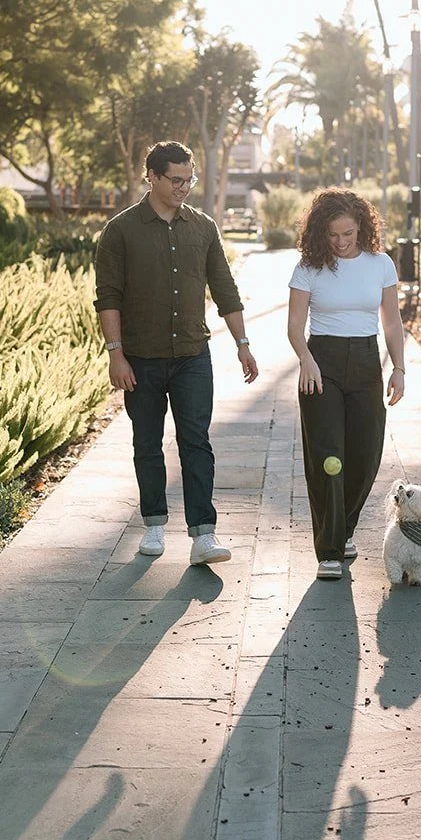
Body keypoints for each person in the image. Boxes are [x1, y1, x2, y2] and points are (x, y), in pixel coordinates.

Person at [94, 141, 259, 565]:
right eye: (176, 180)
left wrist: (243, 345)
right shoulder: (121, 230)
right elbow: (108, 297)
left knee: (196, 443)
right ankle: (153, 524)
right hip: (141, 359)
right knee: (147, 443)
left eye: (190, 179)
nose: (185, 187)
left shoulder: (202, 227)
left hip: (191, 356)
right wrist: (116, 354)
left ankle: (204, 535)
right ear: (151, 176)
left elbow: (225, 289)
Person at [286, 188, 406, 581]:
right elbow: (294, 327)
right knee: (327, 457)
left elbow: (391, 322)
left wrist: (399, 368)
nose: (340, 242)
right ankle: (330, 550)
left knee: (366, 451)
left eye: (348, 234)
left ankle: (345, 527)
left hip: (366, 361)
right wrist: (307, 361)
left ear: (362, 228)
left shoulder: (380, 264)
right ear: (321, 232)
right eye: (333, 235)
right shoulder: (308, 267)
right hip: (321, 363)